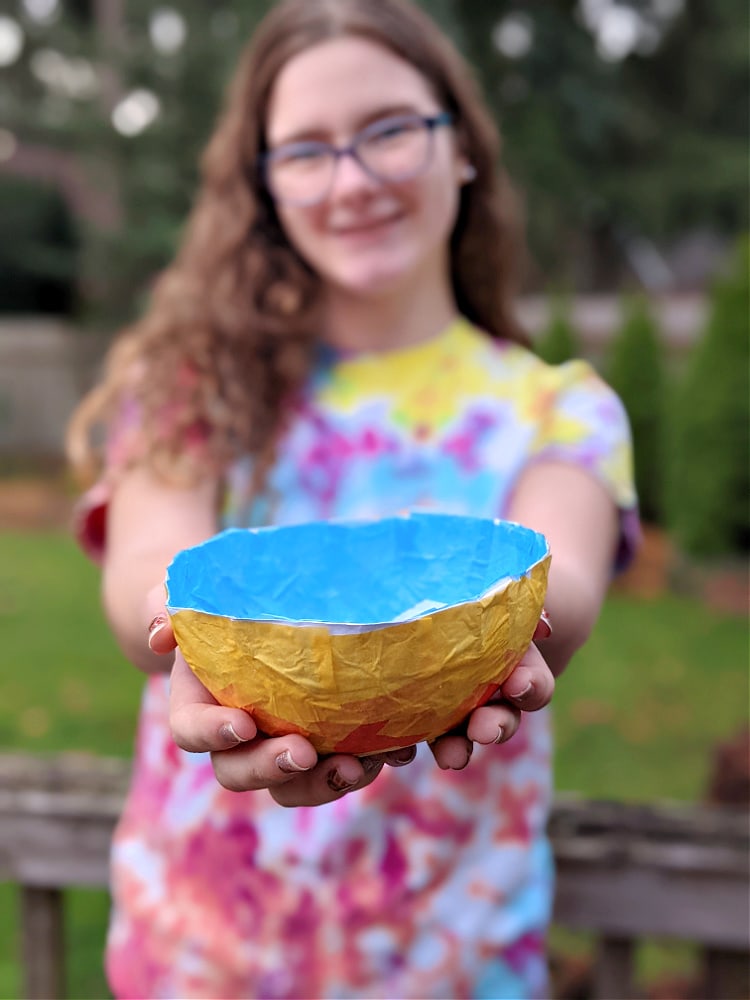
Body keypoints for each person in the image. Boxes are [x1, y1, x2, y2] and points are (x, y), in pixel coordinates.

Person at [67, 0, 639, 996]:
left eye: (390, 131)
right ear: (264, 187)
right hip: (198, 955)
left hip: (450, 963)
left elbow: (564, 574)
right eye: (306, 151)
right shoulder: (192, 382)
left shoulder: (560, 408)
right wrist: (178, 626)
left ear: (461, 145)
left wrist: (520, 637)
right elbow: (146, 575)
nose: (354, 180)